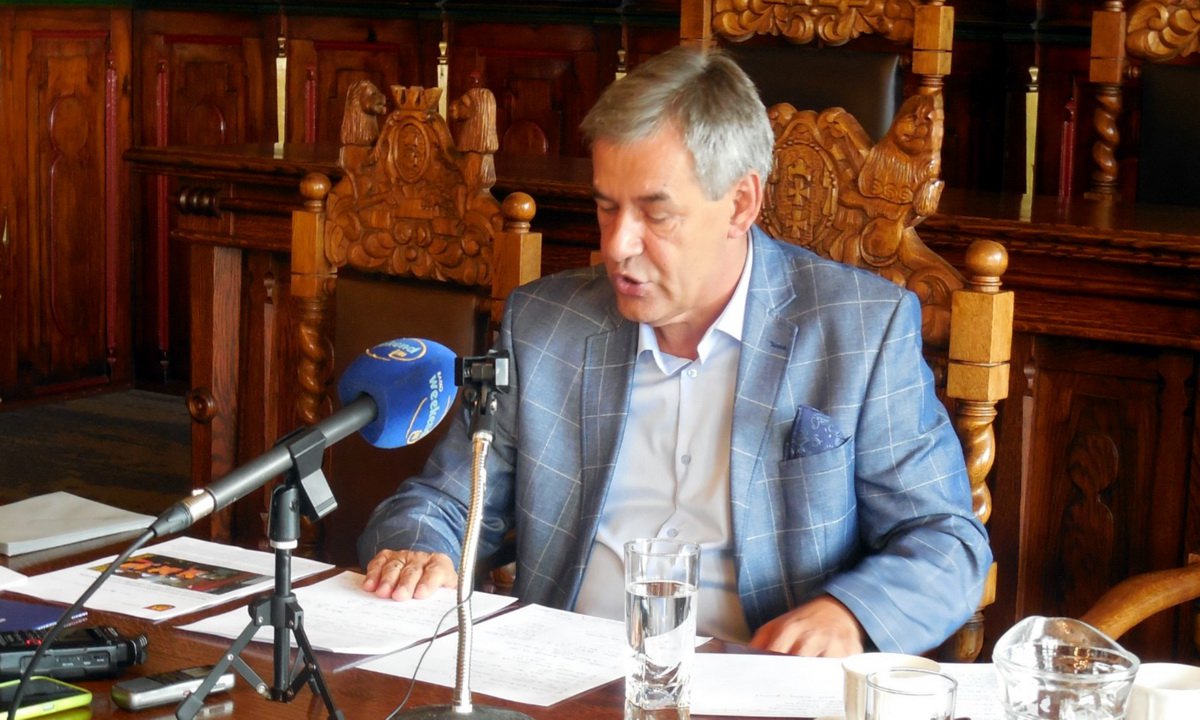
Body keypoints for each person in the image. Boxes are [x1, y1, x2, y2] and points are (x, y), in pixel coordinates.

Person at [358, 45, 992, 657]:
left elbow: (948, 543)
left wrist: (849, 615)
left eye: (655, 214)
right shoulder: (544, 325)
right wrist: (421, 550)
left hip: (755, 683)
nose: (617, 245)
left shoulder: (861, 331)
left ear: (740, 203)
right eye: (607, 208)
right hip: (562, 676)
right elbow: (446, 503)